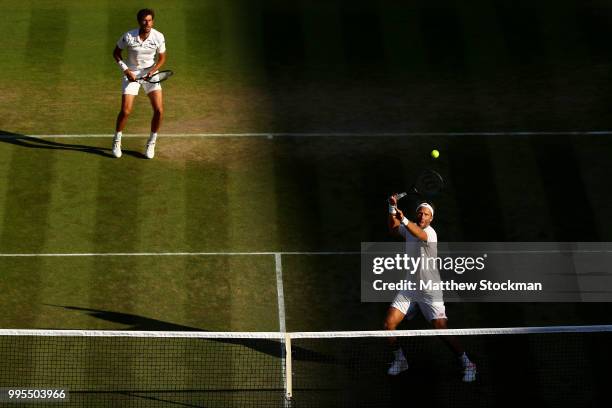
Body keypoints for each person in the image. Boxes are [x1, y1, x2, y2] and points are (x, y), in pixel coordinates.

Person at [384, 195, 477, 382]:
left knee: (441, 329)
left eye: (426, 214)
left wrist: (403, 219)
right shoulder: (409, 229)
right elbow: (394, 230)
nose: (422, 216)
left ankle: (468, 363)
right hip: (410, 286)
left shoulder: (430, 234)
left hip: (429, 289)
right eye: (420, 213)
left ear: (431, 218)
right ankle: (400, 360)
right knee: (388, 326)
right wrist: (392, 208)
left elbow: (419, 234)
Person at [112, 8, 166, 159]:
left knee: (159, 110)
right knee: (126, 111)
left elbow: (162, 58)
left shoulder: (159, 36)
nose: (147, 23)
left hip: (150, 73)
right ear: (139, 22)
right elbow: (116, 53)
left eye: (150, 20)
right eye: (144, 20)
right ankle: (117, 141)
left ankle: (151, 143)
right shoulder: (129, 36)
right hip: (132, 73)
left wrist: (153, 70)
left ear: (152, 21)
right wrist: (126, 70)